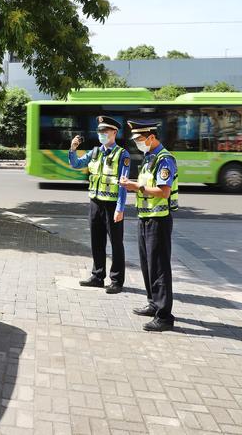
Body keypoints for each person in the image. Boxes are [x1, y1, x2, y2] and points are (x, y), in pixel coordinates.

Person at [119, 120, 179, 332]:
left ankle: (164, 316)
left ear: (151, 137)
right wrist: (132, 183)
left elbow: (164, 191)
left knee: (160, 267)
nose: (137, 143)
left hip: (159, 219)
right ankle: (153, 303)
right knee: (147, 263)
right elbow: (147, 184)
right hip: (145, 217)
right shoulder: (148, 158)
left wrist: (136, 186)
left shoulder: (165, 159)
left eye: (139, 139)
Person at [69, 116, 130, 294]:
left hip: (112, 205)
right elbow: (75, 164)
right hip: (95, 203)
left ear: (114, 133)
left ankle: (117, 280)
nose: (102, 134)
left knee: (116, 243)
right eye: (100, 131)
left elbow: (123, 184)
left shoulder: (122, 154)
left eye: (105, 131)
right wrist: (73, 149)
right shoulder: (94, 152)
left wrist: (120, 208)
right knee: (96, 241)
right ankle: (97, 276)